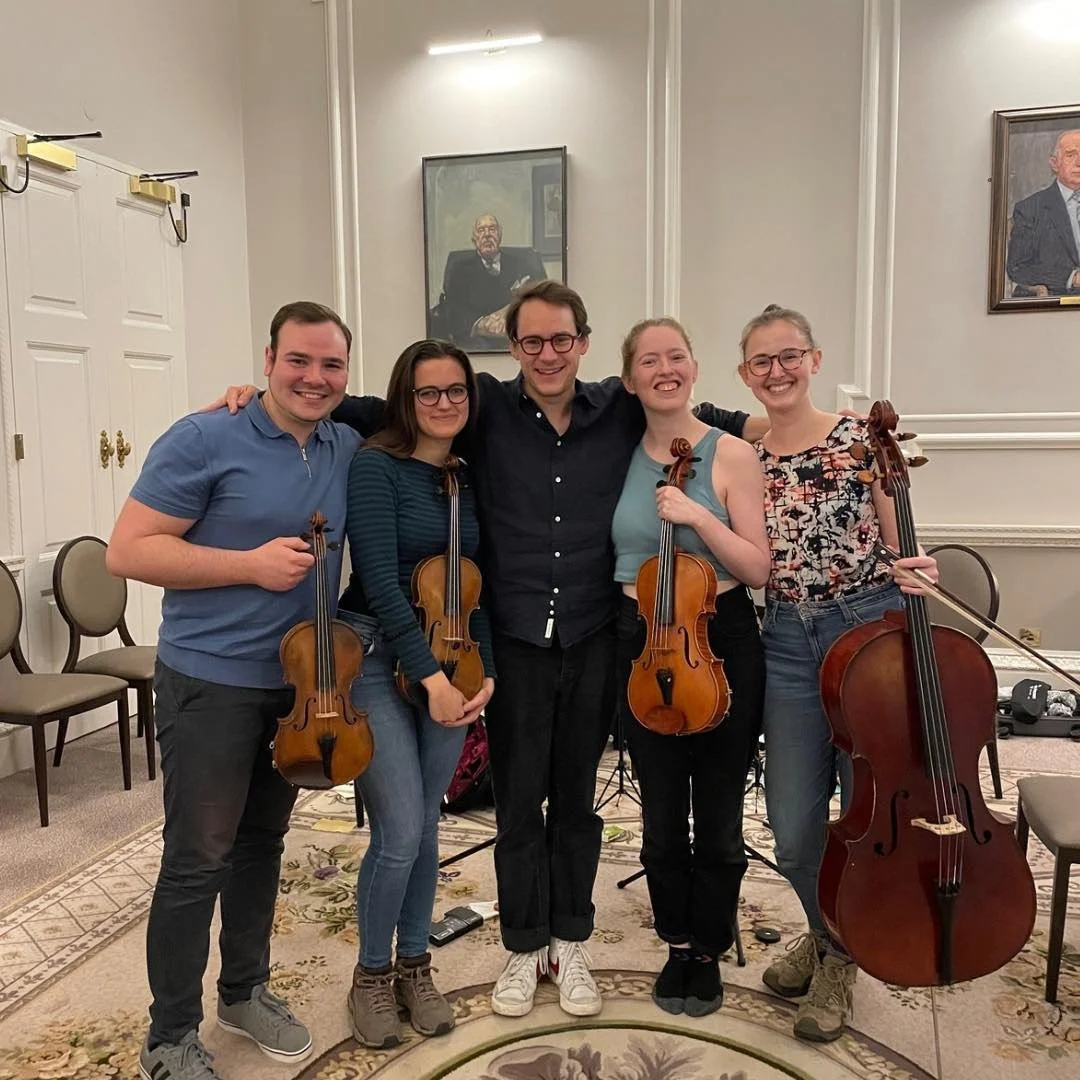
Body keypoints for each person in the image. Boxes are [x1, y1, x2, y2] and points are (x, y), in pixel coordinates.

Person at [217, 279, 769, 1020]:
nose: (548, 353)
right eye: (532, 341)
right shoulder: (483, 408)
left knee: (575, 803)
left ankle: (570, 941)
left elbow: (689, 406)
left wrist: (772, 420)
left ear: (583, 343)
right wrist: (256, 398)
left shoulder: (614, 407)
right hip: (511, 638)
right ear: (513, 347)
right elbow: (387, 406)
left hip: (595, 634)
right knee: (516, 801)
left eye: (562, 339)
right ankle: (522, 945)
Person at [107, 301, 359, 1079]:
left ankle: (244, 992)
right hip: (209, 682)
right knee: (197, 859)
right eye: (298, 361)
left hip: (297, 689)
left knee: (261, 845)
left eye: (331, 364)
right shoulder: (203, 436)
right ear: (267, 359)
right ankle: (169, 1035)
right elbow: (128, 551)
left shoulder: (345, 442)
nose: (314, 378)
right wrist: (247, 566)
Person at [737, 304, 938, 1043]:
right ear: (745, 375)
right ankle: (831, 937)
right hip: (787, 637)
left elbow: (897, 538)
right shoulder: (745, 454)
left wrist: (916, 568)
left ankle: (837, 958)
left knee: (866, 815)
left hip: (868, 629)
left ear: (815, 360)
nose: (778, 371)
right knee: (793, 828)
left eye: (790, 355)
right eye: (762, 361)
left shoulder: (860, 438)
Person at [335, 340, 496, 1049]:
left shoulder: (463, 474)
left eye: (455, 390)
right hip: (377, 654)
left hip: (452, 658)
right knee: (399, 830)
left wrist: (484, 672)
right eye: (427, 392)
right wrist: (430, 678)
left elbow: (471, 582)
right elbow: (376, 578)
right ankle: (370, 975)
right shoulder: (375, 465)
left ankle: (414, 966)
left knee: (427, 823)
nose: (443, 403)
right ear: (405, 398)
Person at [611, 318, 771, 1017]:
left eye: (676, 356)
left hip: (720, 638)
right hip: (641, 638)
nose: (664, 369)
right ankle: (676, 939)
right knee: (661, 811)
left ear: (695, 368)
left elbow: (758, 569)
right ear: (629, 379)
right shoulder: (616, 454)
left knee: (719, 811)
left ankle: (708, 948)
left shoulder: (732, 454)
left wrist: (698, 518)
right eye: (649, 361)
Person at [433, 213, 548, 348]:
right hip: (478, 338)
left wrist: (508, 312)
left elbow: (540, 293)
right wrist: (481, 325)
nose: (487, 235)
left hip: (514, 332)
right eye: (481, 230)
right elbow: (454, 306)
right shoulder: (460, 269)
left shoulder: (520, 263)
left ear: (499, 235)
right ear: (474, 238)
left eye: (492, 229)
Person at [1006, 129, 1080, 297]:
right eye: (1070, 155)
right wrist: (1072, 278)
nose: (1079, 162)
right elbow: (1018, 267)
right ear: (1054, 164)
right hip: (1055, 302)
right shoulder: (1030, 209)